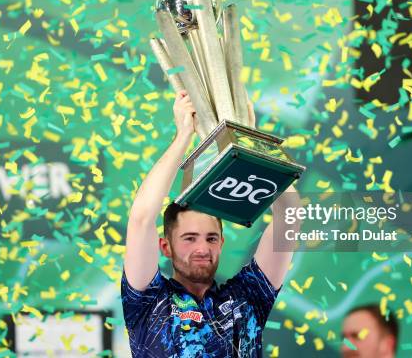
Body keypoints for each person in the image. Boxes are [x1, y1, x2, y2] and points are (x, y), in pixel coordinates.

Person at [122, 90, 301, 357]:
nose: (202, 248)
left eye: (211, 238)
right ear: (165, 246)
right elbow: (141, 219)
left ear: (222, 242)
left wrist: (251, 144)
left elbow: (291, 215)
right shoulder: (149, 301)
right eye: (189, 238)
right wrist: (183, 136)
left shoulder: (248, 298)